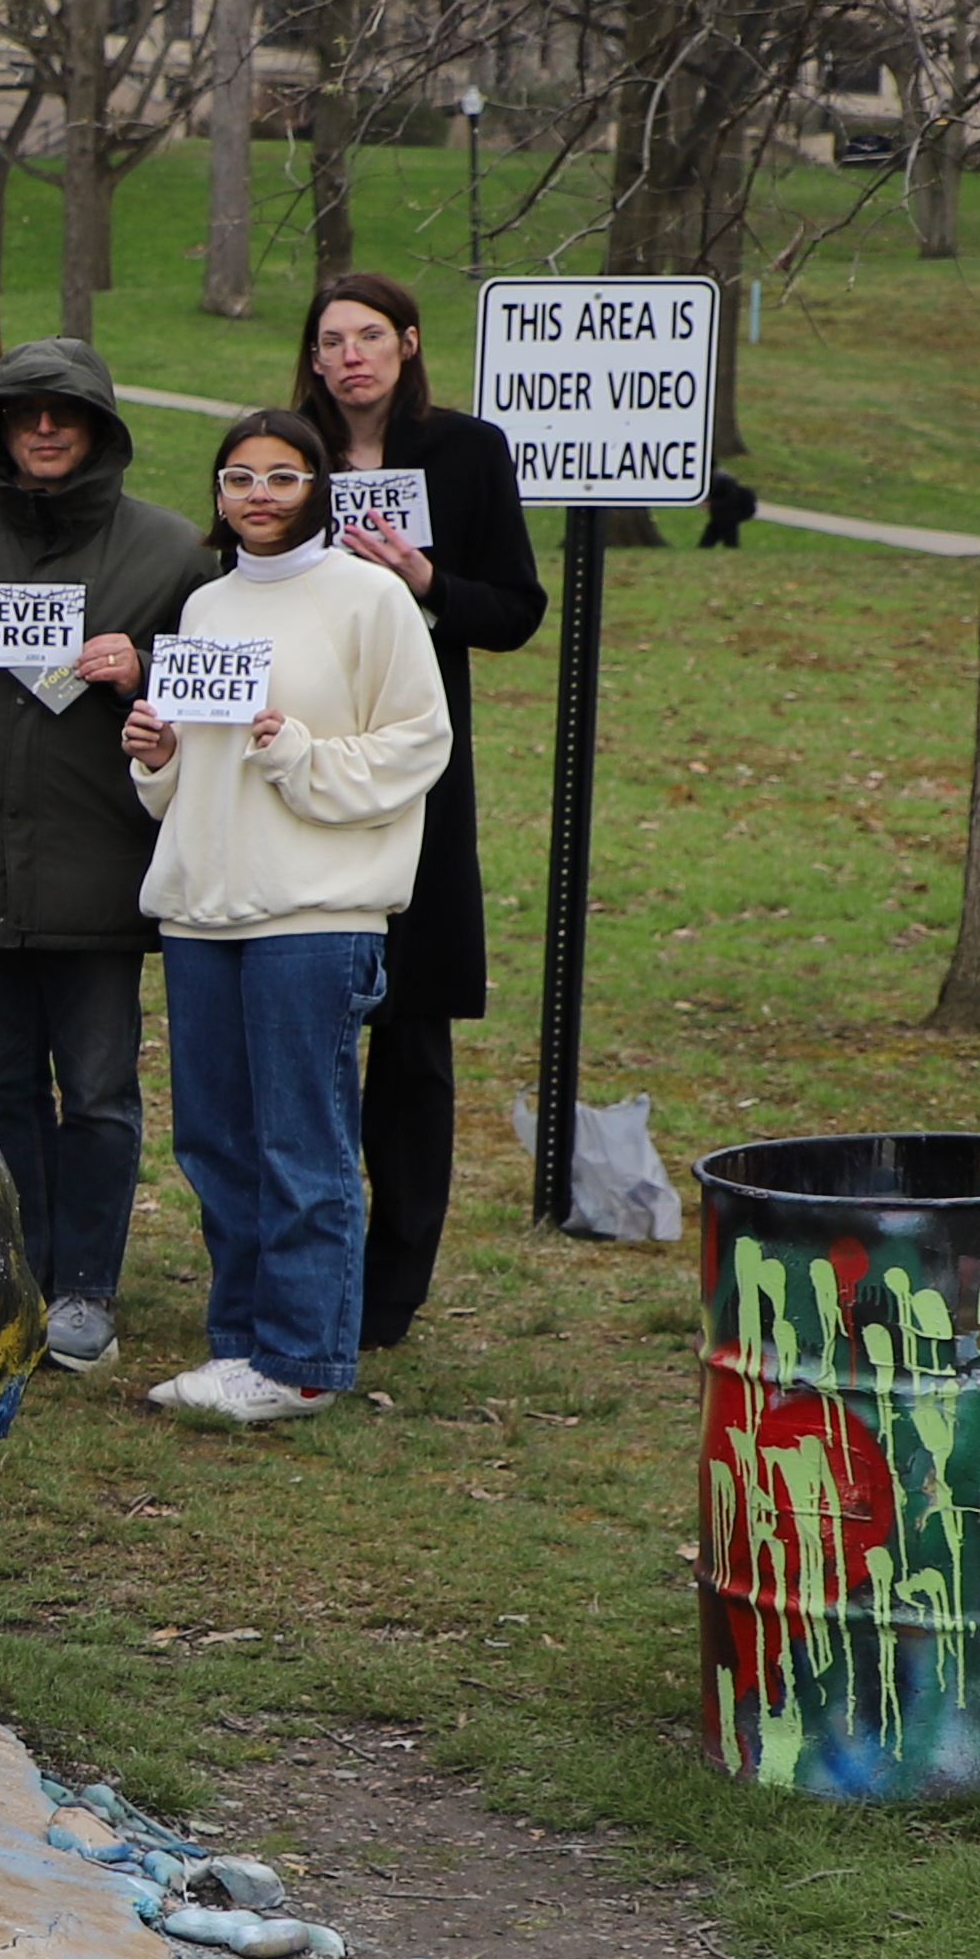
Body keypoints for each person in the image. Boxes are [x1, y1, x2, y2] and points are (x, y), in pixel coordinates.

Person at [0, 334, 204, 1370]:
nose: (46, 429)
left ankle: (89, 1285)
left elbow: (218, 687)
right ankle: (17, 1272)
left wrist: (147, 667)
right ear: (0, 431)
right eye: (27, 414)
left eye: (65, 414)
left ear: (100, 430)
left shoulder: (170, 551)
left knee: (99, 1089)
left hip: (98, 859)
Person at [124, 409, 454, 1422]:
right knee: (216, 1140)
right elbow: (181, 787)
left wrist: (297, 748)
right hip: (202, 907)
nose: (258, 495)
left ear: (317, 484)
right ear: (217, 493)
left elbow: (418, 743)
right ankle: (244, 1345)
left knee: (302, 1142)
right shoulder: (206, 606)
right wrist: (155, 749)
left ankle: (305, 1357)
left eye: (280, 475)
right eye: (238, 477)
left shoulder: (369, 599)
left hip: (314, 910)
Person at [286, 268, 549, 1349]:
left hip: (421, 773)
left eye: (369, 337)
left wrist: (426, 579)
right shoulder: (282, 455)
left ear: (406, 344)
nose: (350, 356)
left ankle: (395, 1284)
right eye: (331, 340)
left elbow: (515, 610)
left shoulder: (466, 451)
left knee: (413, 1033)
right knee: (304, 1022)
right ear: (312, 359)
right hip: (301, 768)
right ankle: (305, 1255)